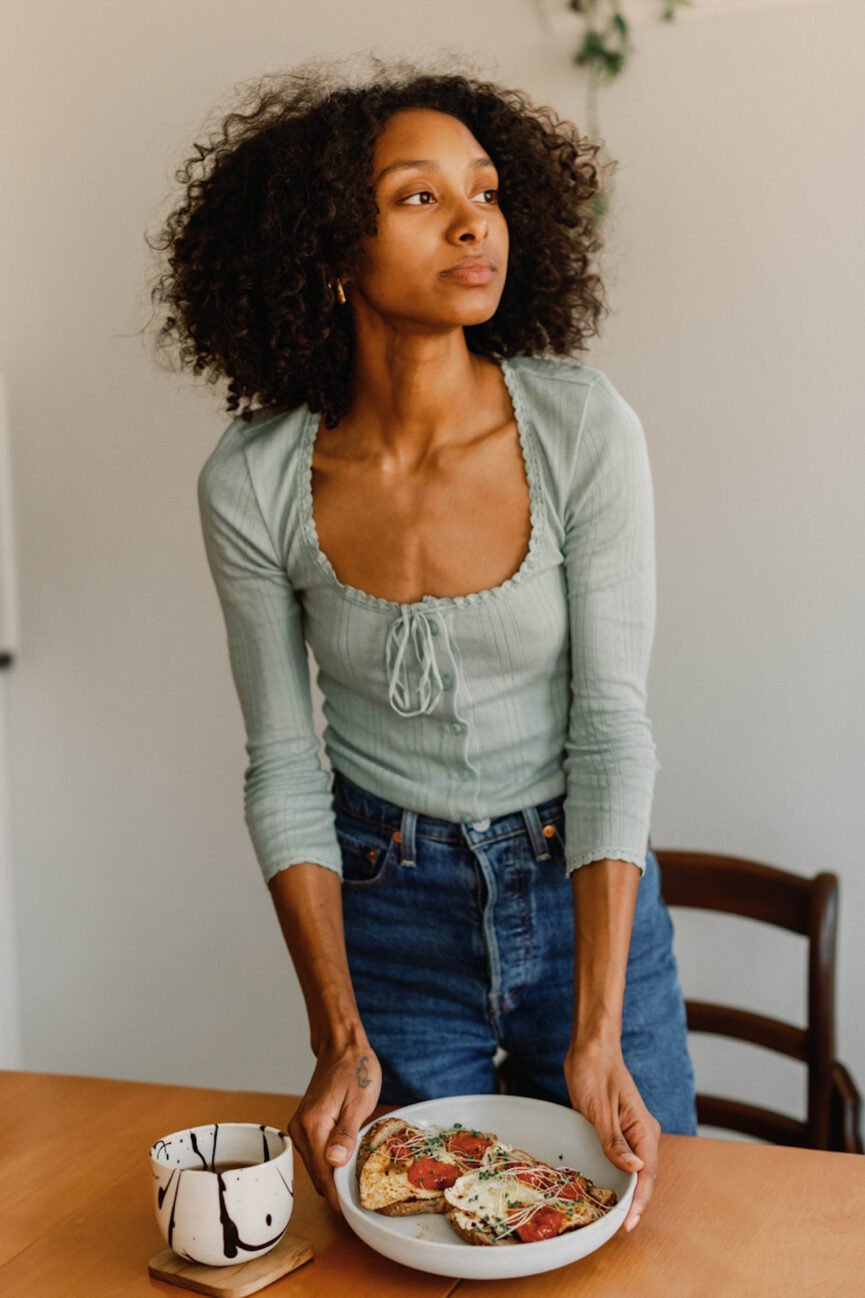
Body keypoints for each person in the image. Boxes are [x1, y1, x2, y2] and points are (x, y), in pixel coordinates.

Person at [148, 54, 697, 1237]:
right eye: (417, 196)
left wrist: (595, 1026)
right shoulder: (252, 483)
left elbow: (610, 728)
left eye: (487, 190)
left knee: (643, 1240)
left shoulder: (580, 426)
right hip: (386, 906)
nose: (472, 222)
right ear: (330, 249)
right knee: (415, 1249)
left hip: (579, 892)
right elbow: (285, 765)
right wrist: (336, 1029)